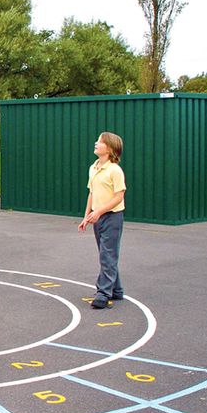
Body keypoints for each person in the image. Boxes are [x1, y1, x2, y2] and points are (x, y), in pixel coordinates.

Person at [78, 132, 126, 309]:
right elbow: (91, 193)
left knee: (108, 255)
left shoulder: (115, 170)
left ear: (110, 148)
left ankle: (103, 293)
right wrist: (87, 216)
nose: (96, 143)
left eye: (100, 142)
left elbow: (119, 196)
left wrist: (99, 211)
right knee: (107, 254)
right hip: (97, 216)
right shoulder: (94, 167)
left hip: (112, 217)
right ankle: (117, 290)